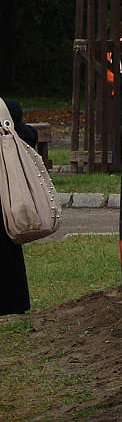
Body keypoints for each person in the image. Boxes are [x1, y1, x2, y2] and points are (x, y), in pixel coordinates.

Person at [1, 97, 38, 315]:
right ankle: (14, 303)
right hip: (8, 193)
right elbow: (29, 136)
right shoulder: (7, 108)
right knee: (8, 252)